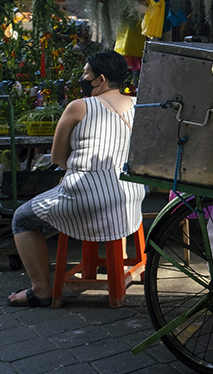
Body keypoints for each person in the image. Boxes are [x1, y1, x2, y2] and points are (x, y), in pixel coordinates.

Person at [7, 51, 145, 308]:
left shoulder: (79, 106)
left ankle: (40, 290)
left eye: (86, 73)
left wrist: (78, 171)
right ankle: (119, 261)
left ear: (101, 79)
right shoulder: (139, 105)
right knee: (103, 198)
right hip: (129, 193)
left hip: (86, 197)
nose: (83, 78)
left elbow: (58, 157)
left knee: (21, 219)